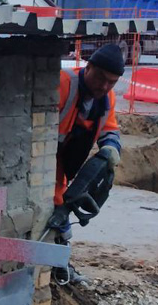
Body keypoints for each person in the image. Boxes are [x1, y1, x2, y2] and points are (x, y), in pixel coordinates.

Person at [52, 43, 125, 282]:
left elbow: (110, 128)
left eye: (111, 82)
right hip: (48, 159)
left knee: (61, 210)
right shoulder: (64, 84)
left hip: (66, 161)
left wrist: (111, 147)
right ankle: (56, 265)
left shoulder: (106, 98)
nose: (104, 86)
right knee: (56, 209)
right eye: (101, 78)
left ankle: (58, 264)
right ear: (88, 67)